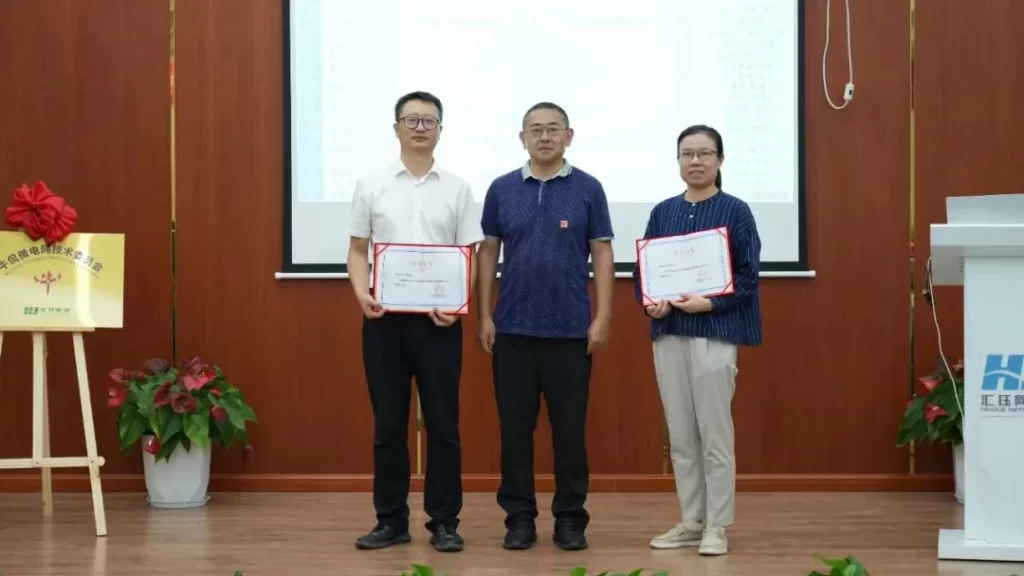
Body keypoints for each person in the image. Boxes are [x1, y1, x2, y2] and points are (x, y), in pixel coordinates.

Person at [348, 91, 483, 553]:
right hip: (384, 321)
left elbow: (471, 256)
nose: (420, 127)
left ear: (441, 130)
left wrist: (459, 299)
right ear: (396, 128)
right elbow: (357, 250)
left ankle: (444, 522)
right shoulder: (371, 184)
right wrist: (361, 293)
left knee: (444, 425)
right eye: (412, 119)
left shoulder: (459, 188)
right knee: (388, 425)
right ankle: (391, 521)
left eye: (429, 120)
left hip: (440, 322)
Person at [476, 102, 615, 551]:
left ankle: (570, 519)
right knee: (515, 432)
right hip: (513, 330)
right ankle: (519, 518)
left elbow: (603, 253)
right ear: (522, 138)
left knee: (570, 433)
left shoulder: (589, 188)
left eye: (554, 129)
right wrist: (483, 314)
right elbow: (487, 253)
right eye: (535, 130)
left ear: (569, 136)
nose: (545, 137)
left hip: (571, 332)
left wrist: (603, 316)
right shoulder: (501, 189)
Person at [632, 125, 762, 556]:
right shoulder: (663, 212)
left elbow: (747, 277)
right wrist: (651, 303)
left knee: (715, 434)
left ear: (720, 161)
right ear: (678, 161)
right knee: (682, 436)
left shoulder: (736, 211)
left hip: (715, 332)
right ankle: (690, 520)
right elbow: (645, 272)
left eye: (705, 154)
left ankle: (717, 525)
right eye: (687, 154)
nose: (696, 161)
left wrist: (710, 303)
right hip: (669, 334)